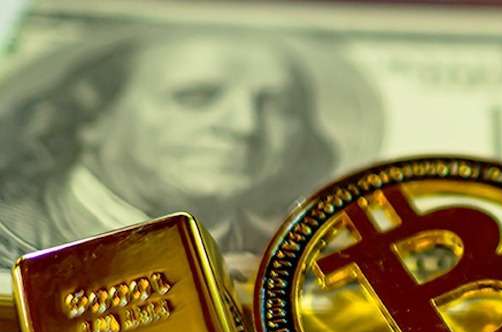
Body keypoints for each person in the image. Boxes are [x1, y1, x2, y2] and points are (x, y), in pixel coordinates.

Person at [0, 33, 375, 275]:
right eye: (195, 97)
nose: (245, 126)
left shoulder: (314, 257)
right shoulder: (13, 229)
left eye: (277, 105)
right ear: (94, 115)